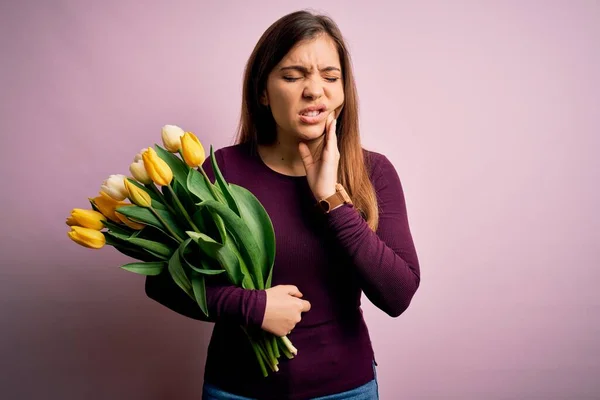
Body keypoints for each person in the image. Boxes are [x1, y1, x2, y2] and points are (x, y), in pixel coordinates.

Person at [145, 10, 420, 400]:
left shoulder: (373, 172)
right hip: (236, 391)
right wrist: (252, 307)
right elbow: (162, 283)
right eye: (293, 76)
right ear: (262, 91)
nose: (315, 90)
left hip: (345, 390)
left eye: (330, 76)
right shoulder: (221, 172)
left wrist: (332, 200)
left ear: (344, 91)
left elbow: (398, 295)